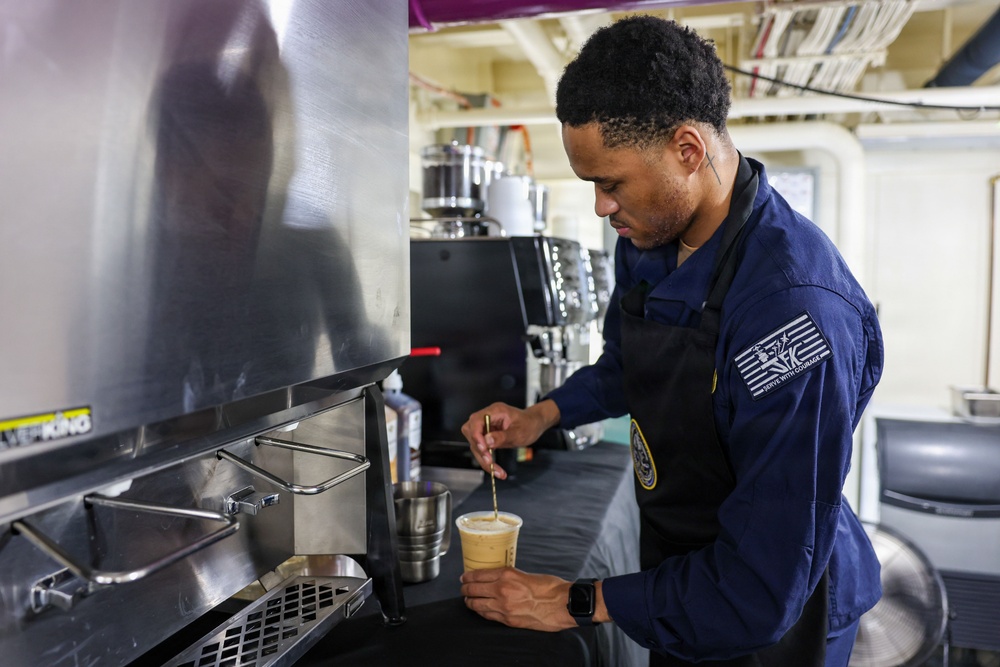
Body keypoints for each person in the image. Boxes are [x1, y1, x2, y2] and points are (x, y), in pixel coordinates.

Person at [459, 15, 883, 667]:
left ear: (688, 150)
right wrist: (539, 417)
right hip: (681, 572)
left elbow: (759, 589)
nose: (602, 207)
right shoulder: (654, 235)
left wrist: (571, 601)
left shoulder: (792, 317)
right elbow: (631, 365)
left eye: (612, 183)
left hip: (774, 611)